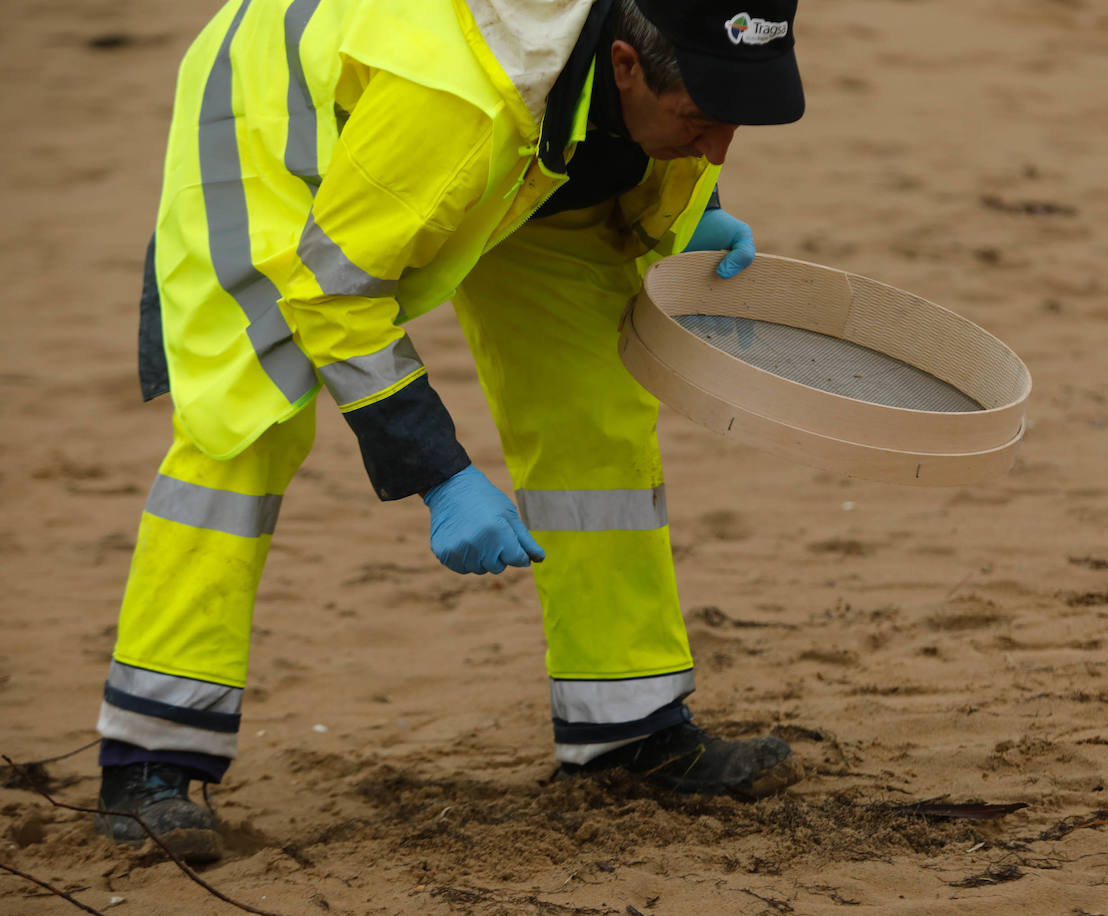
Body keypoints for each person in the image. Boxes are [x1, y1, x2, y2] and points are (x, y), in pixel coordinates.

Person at [93, 0, 806, 863]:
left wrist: (694, 208)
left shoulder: (655, 40)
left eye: (739, 118)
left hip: (532, 138)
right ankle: (149, 761)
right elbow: (333, 292)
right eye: (702, 120)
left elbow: (663, 110)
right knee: (249, 419)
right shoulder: (455, 102)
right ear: (625, 63)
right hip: (289, 112)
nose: (719, 145)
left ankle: (629, 729)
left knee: (593, 408)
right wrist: (439, 472)